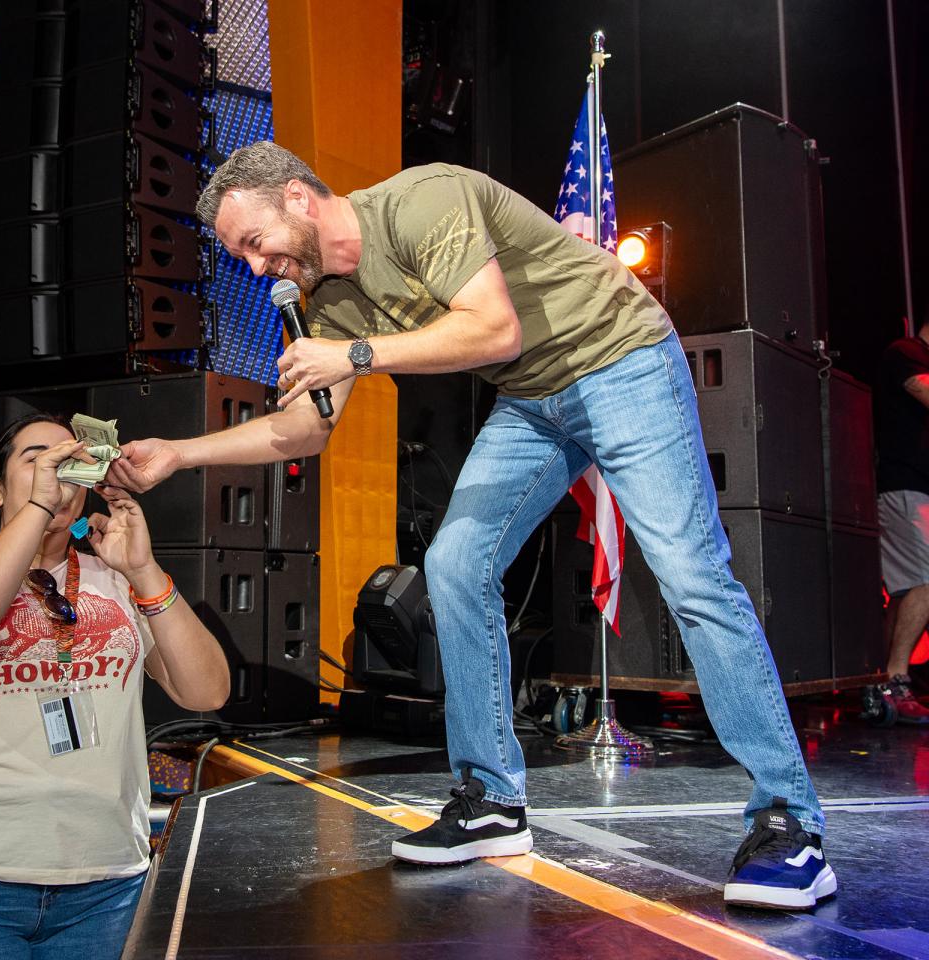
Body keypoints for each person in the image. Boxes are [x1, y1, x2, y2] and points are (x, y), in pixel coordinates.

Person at [102, 141, 835, 910]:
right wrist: (178, 454)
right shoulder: (334, 301)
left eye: (255, 243)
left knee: (690, 574)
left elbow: (493, 332)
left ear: (296, 196)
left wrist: (355, 355)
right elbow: (302, 431)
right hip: (535, 400)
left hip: (621, 357)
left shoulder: (423, 201)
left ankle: (789, 818)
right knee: (455, 564)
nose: (257, 267)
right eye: (242, 257)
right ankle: (492, 800)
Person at [0, 413, 230, 959]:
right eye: (37, 458)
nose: (59, 468)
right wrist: (39, 510)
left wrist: (143, 571)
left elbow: (206, 691)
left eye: (71, 459)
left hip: (106, 887)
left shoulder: (113, 577)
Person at [873, 317, 929, 723]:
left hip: (912, 488)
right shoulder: (907, 352)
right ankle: (895, 679)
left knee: (907, 587)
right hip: (903, 486)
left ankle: (883, 681)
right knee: (925, 582)